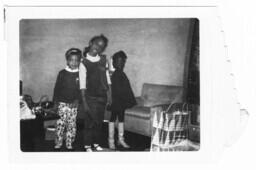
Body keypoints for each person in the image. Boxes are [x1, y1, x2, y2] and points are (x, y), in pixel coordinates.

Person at [79, 34, 112, 152]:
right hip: (90, 97)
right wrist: (85, 103)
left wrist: (109, 96)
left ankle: (96, 143)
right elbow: (82, 85)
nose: (98, 47)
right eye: (96, 44)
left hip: (102, 97)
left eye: (101, 47)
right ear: (90, 43)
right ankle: (87, 145)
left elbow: (107, 78)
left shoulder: (103, 60)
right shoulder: (84, 62)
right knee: (89, 122)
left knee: (99, 122)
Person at [53, 48, 81, 150]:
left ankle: (69, 143)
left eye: (76, 60)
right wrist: (55, 102)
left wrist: (78, 100)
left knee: (71, 125)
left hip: (73, 105)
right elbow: (57, 88)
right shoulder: (62, 73)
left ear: (79, 61)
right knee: (60, 124)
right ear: (67, 61)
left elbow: (81, 90)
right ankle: (58, 142)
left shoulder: (80, 74)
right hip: (61, 103)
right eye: (71, 60)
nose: (74, 62)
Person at [108, 51, 137, 150]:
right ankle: (111, 140)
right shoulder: (114, 75)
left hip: (122, 102)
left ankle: (120, 139)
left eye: (122, 62)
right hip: (115, 101)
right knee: (112, 118)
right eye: (118, 62)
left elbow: (127, 88)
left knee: (121, 119)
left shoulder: (123, 74)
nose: (120, 64)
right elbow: (112, 89)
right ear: (114, 63)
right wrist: (111, 100)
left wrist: (128, 100)